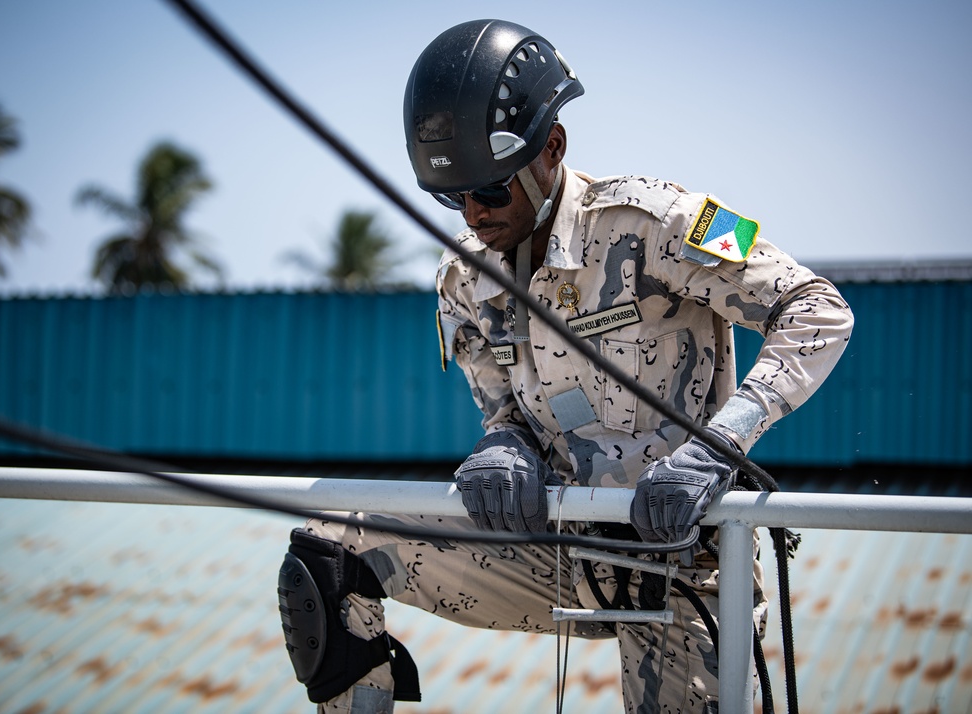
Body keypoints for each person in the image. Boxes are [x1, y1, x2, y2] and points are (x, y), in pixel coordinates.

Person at [277, 19, 854, 713]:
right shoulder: (464, 274)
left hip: (681, 570)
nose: (472, 214)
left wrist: (721, 443)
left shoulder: (659, 224)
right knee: (328, 552)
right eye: (450, 196)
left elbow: (816, 308)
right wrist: (505, 441)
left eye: (488, 190)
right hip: (559, 550)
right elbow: (502, 406)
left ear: (551, 148)